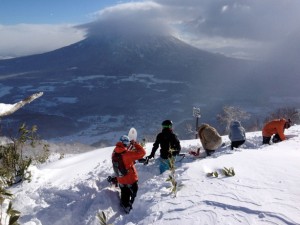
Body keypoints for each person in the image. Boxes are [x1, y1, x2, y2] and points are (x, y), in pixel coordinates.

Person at [111, 135, 146, 214]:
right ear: (125, 144)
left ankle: (124, 205)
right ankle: (132, 208)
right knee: (135, 194)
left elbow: (122, 159)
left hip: (120, 179)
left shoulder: (114, 152)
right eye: (127, 144)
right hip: (130, 179)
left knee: (124, 192)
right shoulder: (127, 154)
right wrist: (135, 144)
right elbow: (143, 152)